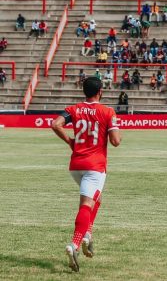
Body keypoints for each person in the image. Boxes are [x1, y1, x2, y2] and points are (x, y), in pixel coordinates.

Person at [51, 77, 121, 272]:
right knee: (86, 204)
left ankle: (88, 234)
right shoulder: (107, 111)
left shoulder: (74, 109)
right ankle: (73, 244)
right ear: (100, 92)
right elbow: (115, 142)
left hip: (76, 165)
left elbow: (55, 124)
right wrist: (117, 129)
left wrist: (70, 142)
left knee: (95, 200)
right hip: (94, 165)